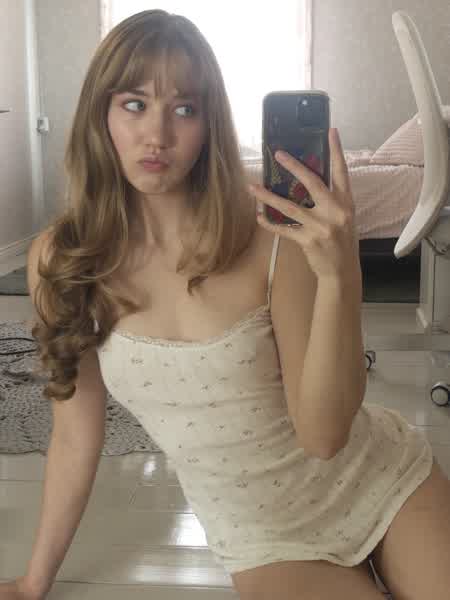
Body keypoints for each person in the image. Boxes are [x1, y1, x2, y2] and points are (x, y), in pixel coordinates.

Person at [8, 9, 450, 600]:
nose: (157, 135)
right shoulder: (61, 262)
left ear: (209, 123)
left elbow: (323, 437)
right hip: (266, 538)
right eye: (135, 104)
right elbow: (73, 436)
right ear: (100, 113)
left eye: (184, 109)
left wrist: (341, 273)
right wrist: (34, 582)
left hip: (383, 481)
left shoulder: (270, 237)